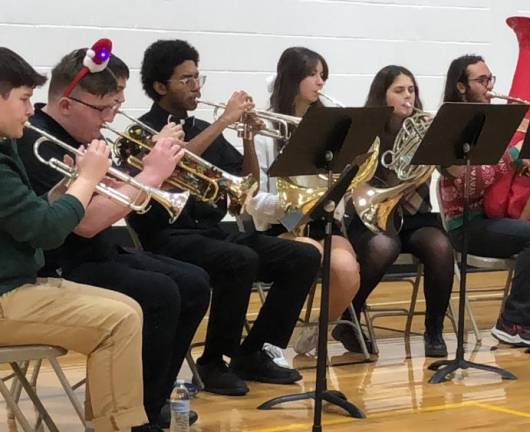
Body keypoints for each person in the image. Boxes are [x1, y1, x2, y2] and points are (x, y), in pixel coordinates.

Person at [17, 47, 211, 429]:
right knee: (160, 293)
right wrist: (151, 175)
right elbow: (85, 224)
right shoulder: (35, 142)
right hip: (64, 262)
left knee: (194, 282)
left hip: (98, 251)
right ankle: (138, 415)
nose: (109, 120)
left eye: (113, 108)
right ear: (68, 104)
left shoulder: (80, 135)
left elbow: (103, 204)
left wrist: (139, 171)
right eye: (102, 109)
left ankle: (150, 399)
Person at [130, 39, 322, 395]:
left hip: (212, 233)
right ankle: (213, 362)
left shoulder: (203, 126)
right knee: (239, 259)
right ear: (160, 86)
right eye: (185, 80)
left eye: (198, 77)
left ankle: (256, 352)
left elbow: (243, 190)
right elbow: (174, 161)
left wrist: (248, 137)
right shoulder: (142, 131)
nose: (197, 86)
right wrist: (224, 120)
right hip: (168, 237)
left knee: (304, 256)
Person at [0, 46, 148, 432]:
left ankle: (117, 422)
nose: (31, 109)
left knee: (130, 308)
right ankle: (116, 427)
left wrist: (70, 185)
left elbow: (31, 216)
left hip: (16, 284)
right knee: (118, 322)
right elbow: (48, 233)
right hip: (5, 294)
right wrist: (87, 182)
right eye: (23, 99)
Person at [438, 54, 530, 347]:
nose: (489, 86)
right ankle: (512, 321)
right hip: (467, 224)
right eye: (481, 80)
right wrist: (515, 157)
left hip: (495, 218)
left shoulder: (497, 122)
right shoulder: (451, 126)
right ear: (462, 87)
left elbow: (501, 170)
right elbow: (469, 184)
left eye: (490, 79)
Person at [247, 46, 361, 355]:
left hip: (321, 220)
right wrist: (292, 209)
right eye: (313, 74)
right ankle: (271, 345)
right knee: (306, 254)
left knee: (347, 272)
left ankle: (316, 332)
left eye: (323, 75)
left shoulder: (328, 128)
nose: (320, 82)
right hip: (283, 222)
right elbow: (253, 198)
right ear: (293, 77)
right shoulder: (266, 130)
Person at [341, 65, 454, 357]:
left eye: (412, 90)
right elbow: (354, 181)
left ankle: (434, 331)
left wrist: (444, 142)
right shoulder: (366, 132)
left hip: (415, 217)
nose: (408, 97)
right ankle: (348, 318)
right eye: (399, 90)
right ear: (383, 96)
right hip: (373, 216)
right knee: (383, 247)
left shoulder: (424, 129)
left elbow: (452, 172)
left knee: (441, 247)